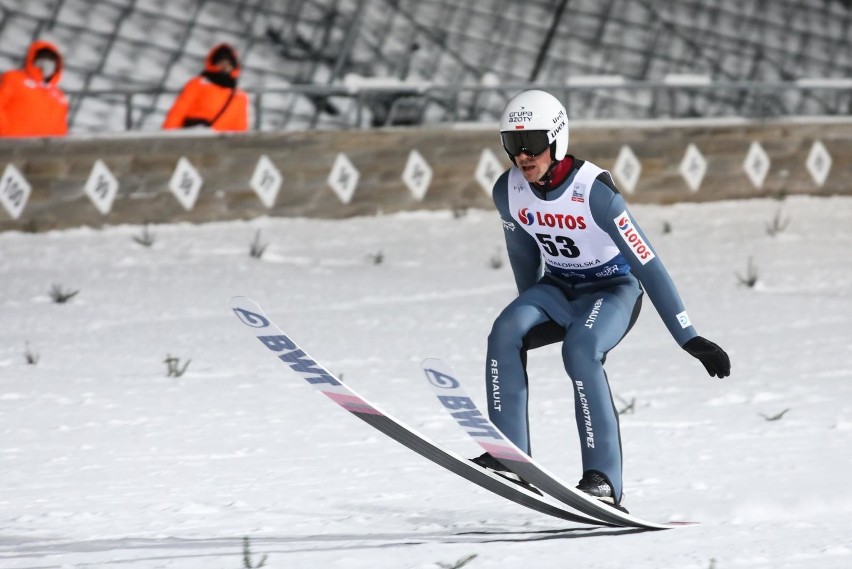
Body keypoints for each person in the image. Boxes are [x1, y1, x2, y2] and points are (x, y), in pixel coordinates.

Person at [474, 89, 731, 511]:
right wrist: (530, 313)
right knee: (505, 331)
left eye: (532, 143)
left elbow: (648, 265)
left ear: (556, 140)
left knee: (580, 350)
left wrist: (689, 337)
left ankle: (603, 480)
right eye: (511, 144)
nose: (522, 155)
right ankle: (510, 456)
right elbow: (523, 257)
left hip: (614, 291)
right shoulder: (508, 190)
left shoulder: (596, 193)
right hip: (559, 289)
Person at [163, 43, 248, 132]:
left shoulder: (239, 96)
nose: (225, 67)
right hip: (191, 137)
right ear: (213, 64)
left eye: (228, 64)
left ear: (234, 67)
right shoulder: (198, 84)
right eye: (220, 62)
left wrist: (239, 145)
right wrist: (168, 136)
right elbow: (179, 111)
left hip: (218, 144)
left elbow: (240, 127)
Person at [0, 40, 68, 137]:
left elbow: (61, 128)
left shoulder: (59, 96)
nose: (47, 63)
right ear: (33, 59)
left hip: (39, 150)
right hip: (9, 145)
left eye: (51, 60)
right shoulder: (13, 78)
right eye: (43, 57)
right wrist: (3, 132)